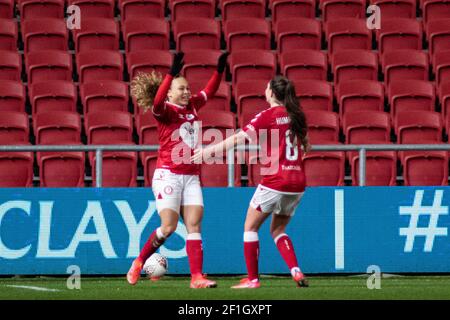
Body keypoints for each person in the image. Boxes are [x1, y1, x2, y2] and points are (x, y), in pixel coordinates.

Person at [192, 76, 310, 289]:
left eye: (266, 88)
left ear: (272, 93)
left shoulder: (268, 115)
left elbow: (238, 139)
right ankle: (296, 270)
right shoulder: (297, 116)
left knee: (250, 227)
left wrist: (207, 152)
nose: (265, 90)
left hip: (276, 180)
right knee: (278, 230)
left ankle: (253, 280)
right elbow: (304, 148)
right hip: (298, 183)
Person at [127, 51, 229, 288]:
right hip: (168, 175)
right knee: (169, 228)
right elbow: (156, 101)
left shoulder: (193, 105)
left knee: (194, 225)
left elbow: (209, 91)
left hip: (191, 176)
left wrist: (219, 70)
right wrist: (170, 74)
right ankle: (140, 261)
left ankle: (197, 278)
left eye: (187, 88)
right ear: (170, 93)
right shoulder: (165, 111)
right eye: (181, 89)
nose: (186, 92)